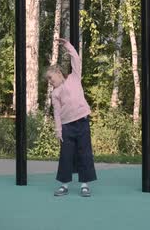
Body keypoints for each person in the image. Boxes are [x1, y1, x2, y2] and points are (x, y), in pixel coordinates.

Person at [46, 38, 96, 197]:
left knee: (84, 153)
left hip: (82, 123)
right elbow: (57, 113)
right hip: (67, 128)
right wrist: (58, 130)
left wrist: (68, 45)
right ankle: (64, 185)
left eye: (51, 79)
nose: (50, 82)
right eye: (48, 81)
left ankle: (84, 185)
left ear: (59, 74)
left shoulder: (75, 78)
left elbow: (76, 58)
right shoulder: (55, 93)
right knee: (66, 156)